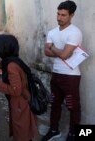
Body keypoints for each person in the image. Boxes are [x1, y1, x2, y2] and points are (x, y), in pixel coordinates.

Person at [0, 34, 38, 141]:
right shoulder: (13, 60)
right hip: (22, 102)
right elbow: (1, 65)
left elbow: (16, 90)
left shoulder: (12, 66)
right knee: (22, 131)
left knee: (22, 133)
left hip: (20, 104)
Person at [42, 1, 82, 141]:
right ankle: (54, 130)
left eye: (63, 15)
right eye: (58, 14)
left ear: (72, 15)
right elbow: (46, 52)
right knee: (54, 104)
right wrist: (59, 51)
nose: (59, 17)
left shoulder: (75, 32)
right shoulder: (52, 32)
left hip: (71, 76)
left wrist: (53, 48)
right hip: (56, 73)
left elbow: (65, 55)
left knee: (73, 106)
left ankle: (73, 134)